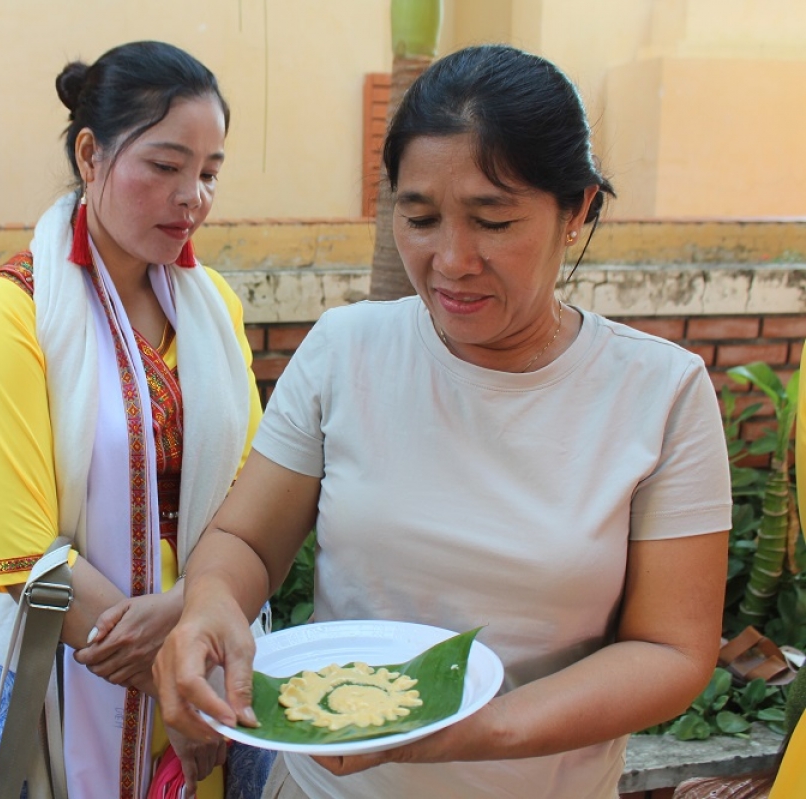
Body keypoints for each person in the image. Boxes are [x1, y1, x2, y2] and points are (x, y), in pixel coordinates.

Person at [154, 44, 732, 799]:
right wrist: (207, 604)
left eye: (493, 221)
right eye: (420, 216)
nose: (452, 260)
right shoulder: (346, 349)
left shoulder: (662, 393)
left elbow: (670, 650)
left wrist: (482, 730)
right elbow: (245, 539)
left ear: (578, 207)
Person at [0, 41, 271, 799]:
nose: (193, 195)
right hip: (75, 662)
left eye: (210, 172)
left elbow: (257, 495)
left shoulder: (214, 311)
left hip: (207, 656)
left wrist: (192, 619)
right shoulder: (14, 311)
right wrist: (176, 652)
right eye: (166, 166)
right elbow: (24, 552)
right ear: (90, 154)